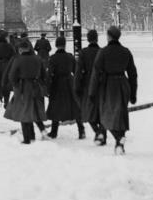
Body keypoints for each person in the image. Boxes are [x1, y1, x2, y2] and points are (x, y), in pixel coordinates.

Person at [89, 26, 138, 154]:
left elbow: (96, 72)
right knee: (120, 114)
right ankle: (119, 145)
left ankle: (119, 137)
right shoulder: (125, 51)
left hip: (108, 86)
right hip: (123, 84)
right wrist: (133, 92)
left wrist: (92, 92)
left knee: (106, 115)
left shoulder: (103, 52)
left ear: (109, 36)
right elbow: (133, 73)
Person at [3, 38, 47, 144]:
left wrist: (16, 85)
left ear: (21, 49)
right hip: (36, 86)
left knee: (23, 112)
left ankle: (27, 138)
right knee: (33, 110)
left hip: (23, 87)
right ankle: (34, 134)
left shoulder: (18, 60)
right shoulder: (38, 58)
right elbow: (43, 75)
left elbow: (12, 75)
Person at [45, 36, 83, 139]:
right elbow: (76, 71)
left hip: (57, 83)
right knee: (74, 106)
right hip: (69, 83)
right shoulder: (70, 57)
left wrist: (47, 88)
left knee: (55, 107)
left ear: (56, 45)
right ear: (64, 45)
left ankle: (54, 131)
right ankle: (81, 130)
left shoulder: (53, 58)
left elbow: (49, 75)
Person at [74, 29, 102, 141]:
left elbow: (78, 72)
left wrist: (77, 86)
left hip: (87, 84)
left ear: (88, 39)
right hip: (100, 84)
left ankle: (97, 131)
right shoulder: (102, 51)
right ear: (97, 38)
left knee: (88, 111)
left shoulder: (83, 53)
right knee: (100, 109)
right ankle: (101, 131)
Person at [0, 30, 16, 107]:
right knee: (6, 83)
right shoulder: (9, 46)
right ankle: (6, 101)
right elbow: (14, 56)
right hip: (6, 65)